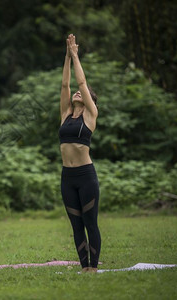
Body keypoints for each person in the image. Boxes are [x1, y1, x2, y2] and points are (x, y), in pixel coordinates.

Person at [58, 34, 101, 273]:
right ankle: (84, 267)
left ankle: (93, 267)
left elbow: (81, 84)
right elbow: (65, 85)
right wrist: (66, 56)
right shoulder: (65, 115)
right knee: (76, 225)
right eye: (75, 93)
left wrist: (76, 56)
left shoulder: (90, 116)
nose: (76, 92)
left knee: (90, 222)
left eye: (81, 94)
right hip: (68, 177)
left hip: (86, 176)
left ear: (89, 101)